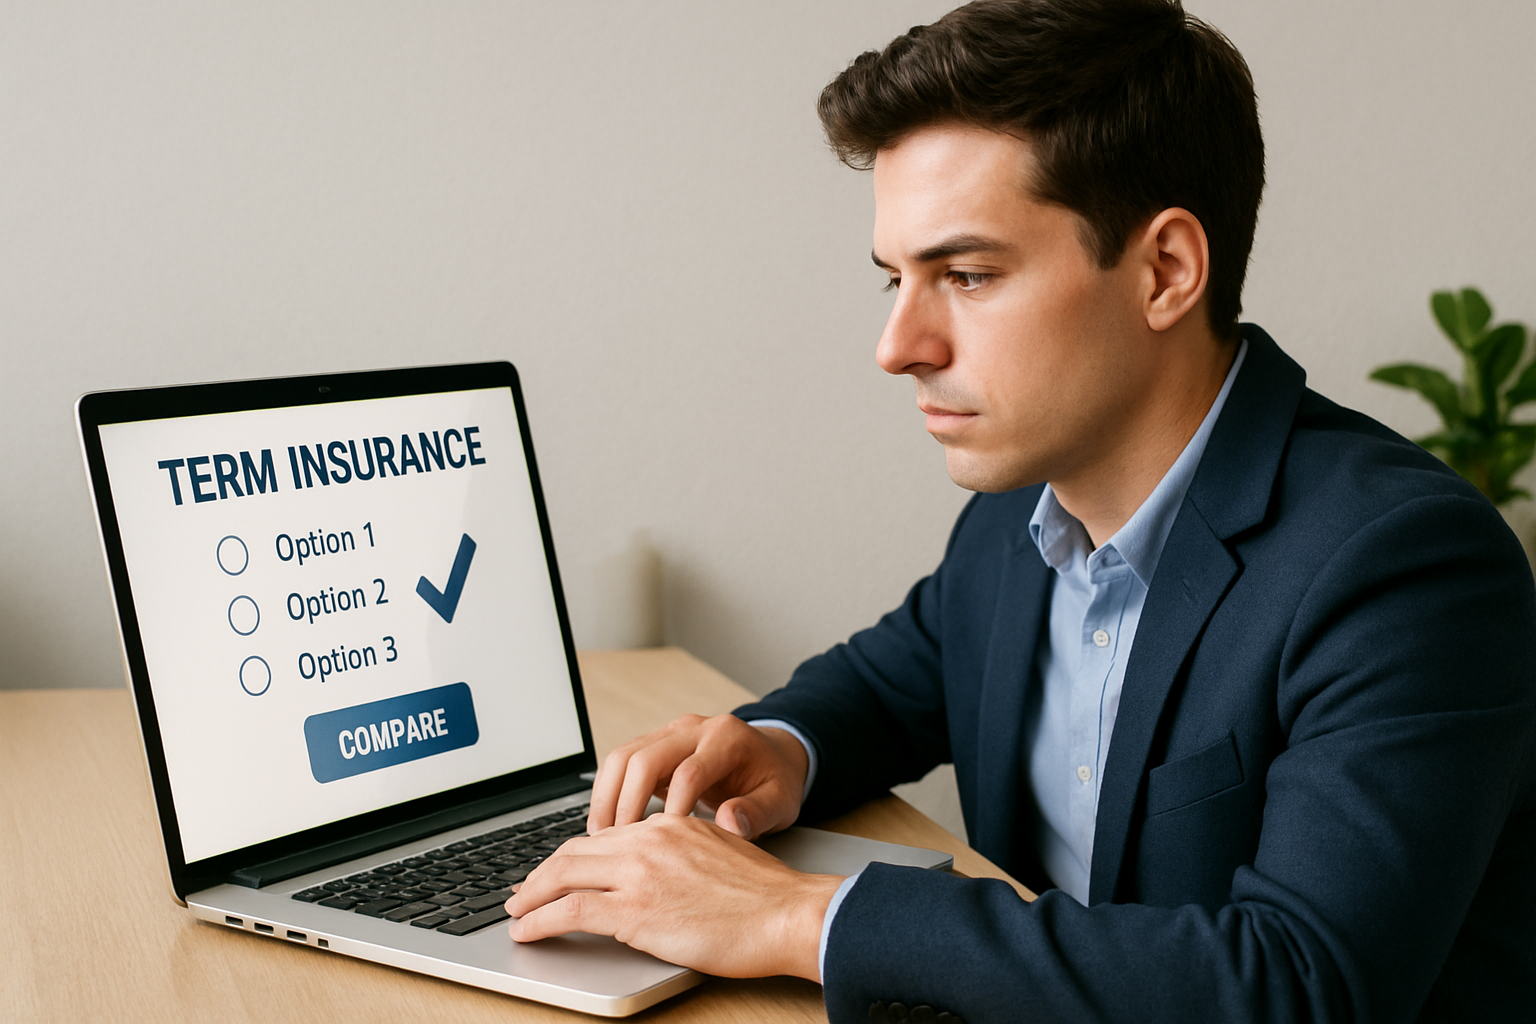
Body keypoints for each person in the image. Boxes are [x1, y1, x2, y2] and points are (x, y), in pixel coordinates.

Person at [505, 1, 1536, 1020]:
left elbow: (1299, 987)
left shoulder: (1405, 567)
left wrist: (797, 917)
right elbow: (894, 682)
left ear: (1166, 271)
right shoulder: (1022, 510)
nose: (898, 346)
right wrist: (779, 743)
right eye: (895, 280)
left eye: (966, 274)